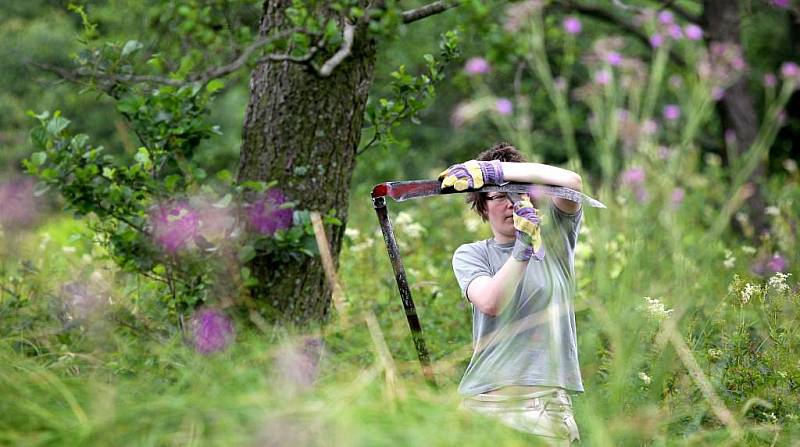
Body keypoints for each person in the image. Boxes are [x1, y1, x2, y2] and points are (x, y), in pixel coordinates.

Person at [439, 142, 584, 445]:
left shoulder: (556, 241)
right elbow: (492, 302)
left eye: (518, 193)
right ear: (482, 205)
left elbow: (572, 182)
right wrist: (522, 248)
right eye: (499, 195)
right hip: (484, 407)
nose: (510, 203)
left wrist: (493, 171)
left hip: (543, 409)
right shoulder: (472, 255)